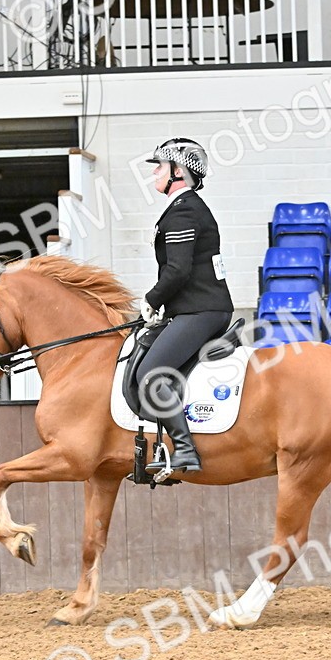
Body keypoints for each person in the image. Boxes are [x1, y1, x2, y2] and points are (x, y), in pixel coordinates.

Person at [136, 137, 234, 474]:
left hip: (201, 310)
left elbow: (178, 270)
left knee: (152, 375)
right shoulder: (184, 208)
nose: (155, 175)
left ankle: (185, 450)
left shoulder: (184, 211)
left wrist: (151, 300)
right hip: (196, 308)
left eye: (160, 167)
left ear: (178, 171)